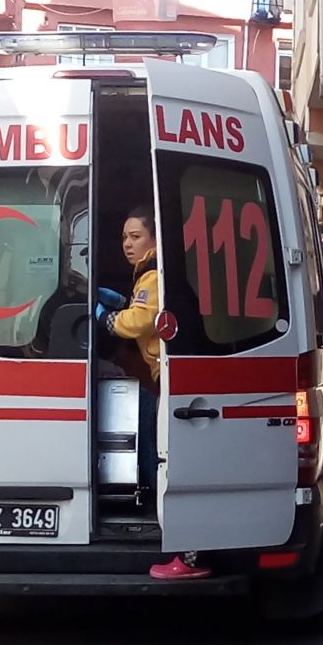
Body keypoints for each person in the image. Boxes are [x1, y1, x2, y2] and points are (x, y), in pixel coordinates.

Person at [94, 207, 210, 580]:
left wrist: (107, 319)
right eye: (125, 237)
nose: (128, 244)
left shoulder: (153, 274)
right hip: (170, 375)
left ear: (155, 239)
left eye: (136, 236)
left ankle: (190, 556)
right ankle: (188, 552)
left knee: (173, 463)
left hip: (174, 377)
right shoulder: (153, 273)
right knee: (171, 459)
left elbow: (143, 319)